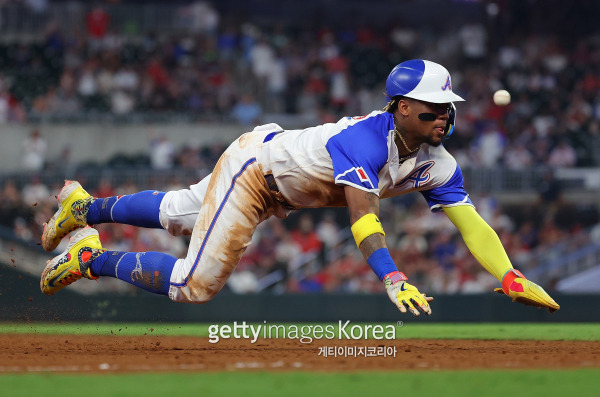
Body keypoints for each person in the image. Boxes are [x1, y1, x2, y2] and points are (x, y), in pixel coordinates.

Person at [39, 59, 559, 316]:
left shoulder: (439, 165)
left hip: (275, 173)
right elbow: (363, 218)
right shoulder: (365, 142)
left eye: (448, 108)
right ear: (402, 107)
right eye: (432, 107)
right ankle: (91, 259)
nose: (444, 116)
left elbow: (473, 226)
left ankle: (84, 207)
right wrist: (393, 277)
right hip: (258, 172)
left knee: (178, 211)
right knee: (193, 286)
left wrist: (510, 275)